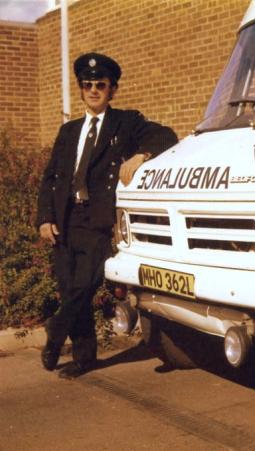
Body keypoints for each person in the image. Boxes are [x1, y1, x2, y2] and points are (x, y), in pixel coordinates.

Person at [36, 52, 178, 378]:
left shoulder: (125, 123)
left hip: (97, 222)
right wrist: (45, 218)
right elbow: (51, 178)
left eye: (101, 85)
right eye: (87, 85)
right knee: (71, 289)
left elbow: (166, 135)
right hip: (65, 219)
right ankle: (84, 358)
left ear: (112, 89)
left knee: (85, 285)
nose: (94, 90)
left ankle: (55, 331)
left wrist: (142, 155)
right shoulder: (69, 131)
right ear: (81, 89)